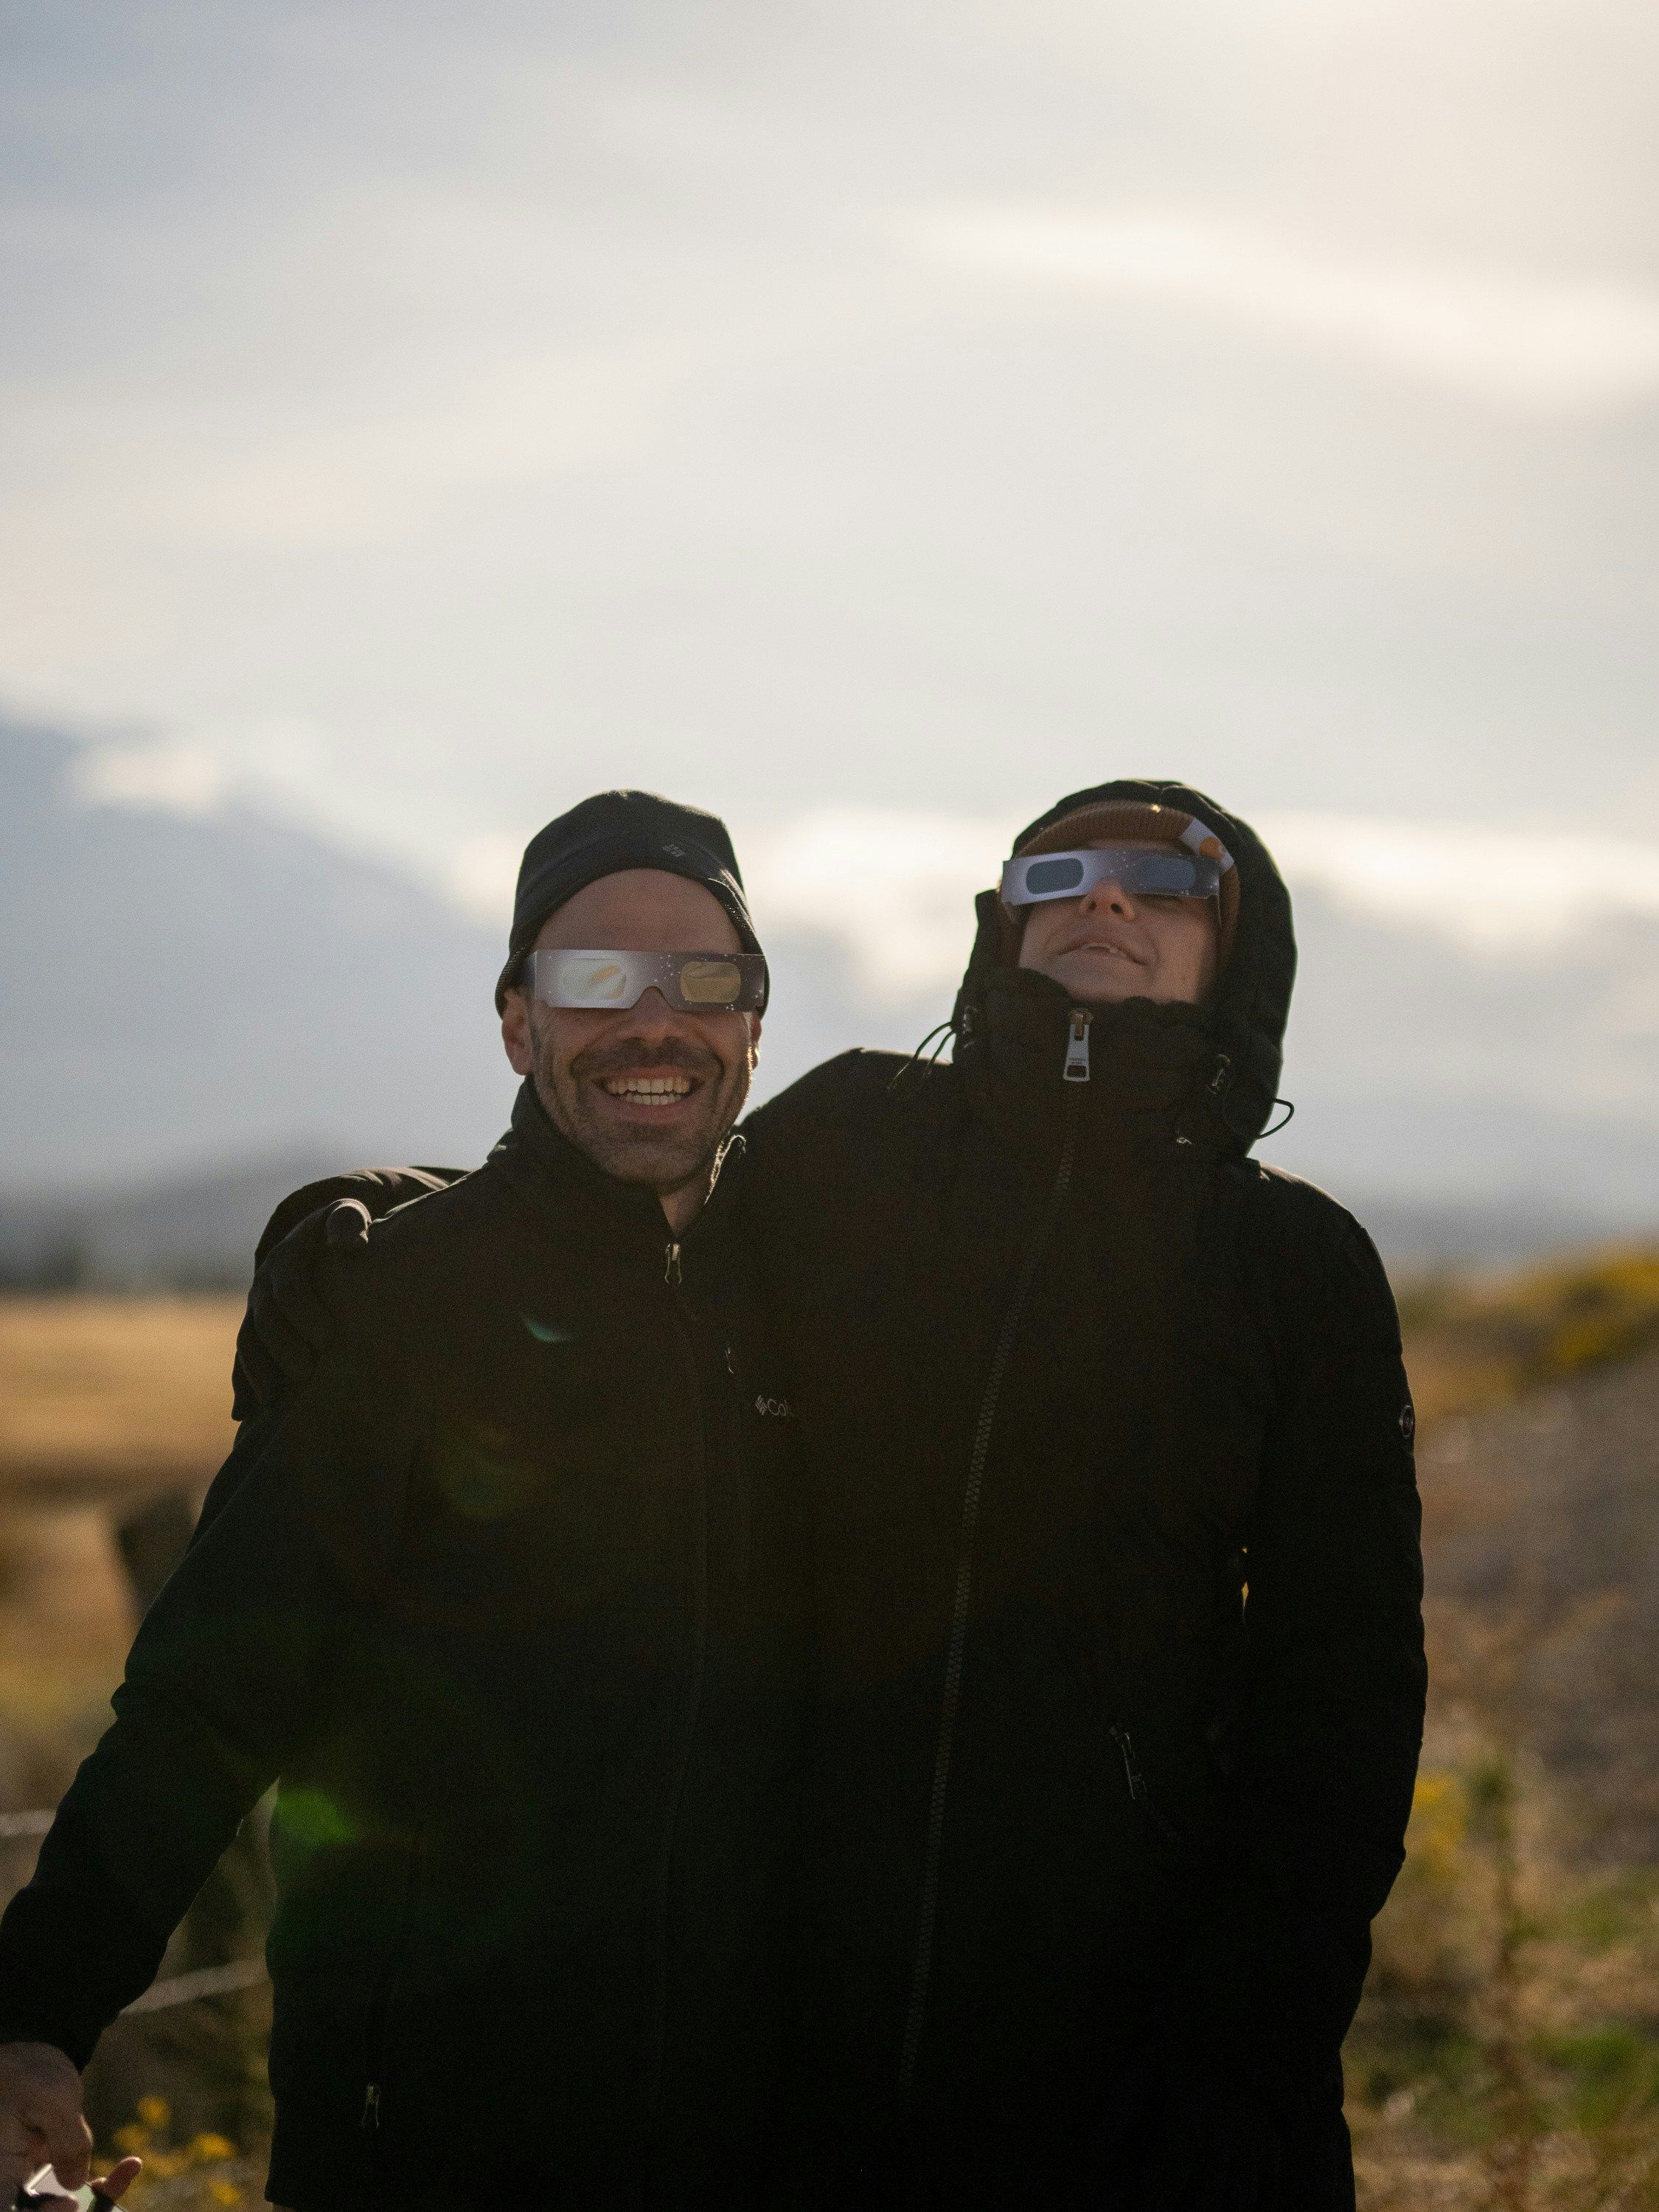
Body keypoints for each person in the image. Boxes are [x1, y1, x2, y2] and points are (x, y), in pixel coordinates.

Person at [216, 777, 1427, 2210]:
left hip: (1126, 2037)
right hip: (796, 2028)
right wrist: (365, 1217)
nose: (1106, 897)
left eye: (1166, 886)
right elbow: (630, 1210)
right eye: (1064, 874)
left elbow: (1340, 1704)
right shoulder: (857, 1135)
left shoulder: (1295, 1267)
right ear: (1003, 931)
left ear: (1238, 956)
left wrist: (1246, 2054)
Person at [0, 792, 808, 2212]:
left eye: (704, 977)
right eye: (594, 978)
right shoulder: (400, 1303)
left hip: (761, 2121)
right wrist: (33, 2018)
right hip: (430, 2125)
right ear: (516, 1021)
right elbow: (206, 1702)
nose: (653, 1020)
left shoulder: (814, 1309)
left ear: (754, 1021)